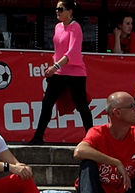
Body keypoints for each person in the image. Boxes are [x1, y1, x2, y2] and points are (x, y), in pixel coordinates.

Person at [30, 1, 93, 144]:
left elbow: (72, 52)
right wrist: (55, 66)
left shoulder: (76, 27)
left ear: (70, 11)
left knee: (81, 105)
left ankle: (91, 138)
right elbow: (58, 51)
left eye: (60, 9)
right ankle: (38, 137)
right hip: (60, 72)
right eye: (56, 9)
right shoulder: (58, 27)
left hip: (75, 73)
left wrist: (55, 67)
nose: (57, 11)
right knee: (47, 103)